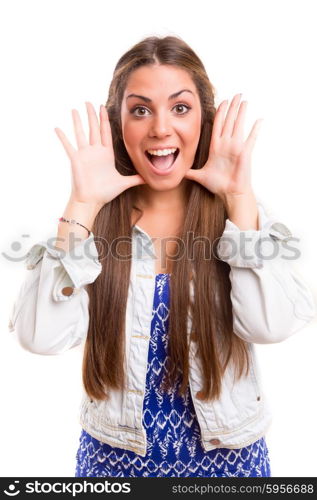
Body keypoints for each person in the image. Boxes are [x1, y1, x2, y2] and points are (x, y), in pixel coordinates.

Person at [8, 35, 316, 478]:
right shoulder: (92, 225)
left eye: (180, 107)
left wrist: (239, 197)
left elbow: (272, 327)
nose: (160, 128)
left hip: (230, 467)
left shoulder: (239, 217)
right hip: (111, 464)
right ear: (118, 125)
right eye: (140, 109)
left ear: (204, 120)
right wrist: (80, 206)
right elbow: (41, 338)